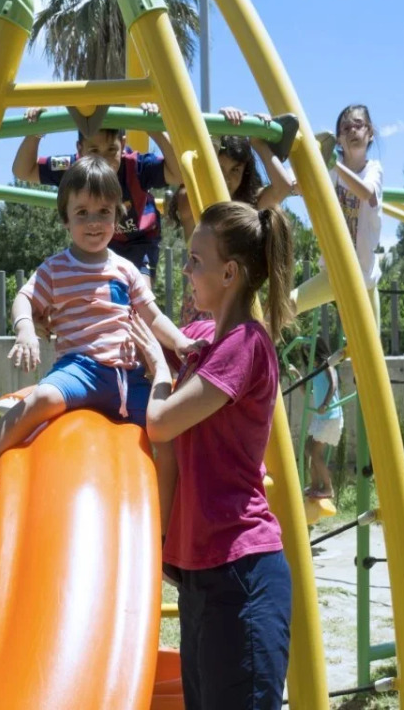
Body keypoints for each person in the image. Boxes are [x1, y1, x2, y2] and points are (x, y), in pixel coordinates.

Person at [0, 156, 200, 521]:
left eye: (104, 212)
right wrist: (26, 331)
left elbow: (154, 316)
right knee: (43, 397)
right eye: (82, 213)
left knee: (168, 428)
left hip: (128, 377)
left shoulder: (126, 269)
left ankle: (166, 523)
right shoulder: (55, 268)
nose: (94, 222)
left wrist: (181, 343)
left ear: (118, 215)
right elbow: (24, 298)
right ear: (65, 218)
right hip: (80, 369)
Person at [123, 201, 296, 710]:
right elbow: (145, 334)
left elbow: (161, 421)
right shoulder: (205, 338)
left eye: (196, 260)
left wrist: (160, 370)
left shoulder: (245, 344)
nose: (185, 270)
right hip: (201, 573)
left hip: (241, 571)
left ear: (229, 273)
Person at [11, 104, 181, 288]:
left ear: (123, 145)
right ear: (80, 149)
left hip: (139, 240)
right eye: (94, 151)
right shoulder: (74, 168)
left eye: (111, 150)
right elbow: (23, 171)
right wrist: (36, 132)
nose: (103, 160)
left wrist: (155, 130)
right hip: (98, 240)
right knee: (92, 290)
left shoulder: (137, 166)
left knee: (140, 289)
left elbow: (179, 173)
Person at [167, 106, 297, 325]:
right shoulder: (194, 200)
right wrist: (216, 133)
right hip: (202, 315)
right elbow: (194, 176)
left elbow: (282, 186)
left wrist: (258, 141)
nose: (226, 178)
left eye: (235, 170)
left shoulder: (247, 211)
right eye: (219, 168)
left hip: (238, 312)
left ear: (245, 172)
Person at [290, 103, 384, 319]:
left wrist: (333, 164)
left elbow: (366, 192)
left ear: (370, 132)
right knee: (288, 305)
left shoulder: (373, 169)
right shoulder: (331, 168)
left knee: (371, 341)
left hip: (364, 277)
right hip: (335, 272)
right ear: (339, 140)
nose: (352, 131)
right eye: (346, 128)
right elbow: (299, 184)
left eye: (358, 125)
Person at [302, 336, 343, 500]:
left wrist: (325, 404)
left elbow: (333, 384)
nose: (310, 359)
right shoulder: (315, 371)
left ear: (318, 352)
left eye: (311, 355)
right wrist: (297, 376)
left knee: (315, 452)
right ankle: (314, 485)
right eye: (307, 356)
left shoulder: (327, 365)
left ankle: (328, 487)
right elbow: (308, 393)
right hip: (321, 418)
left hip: (330, 416)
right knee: (308, 448)